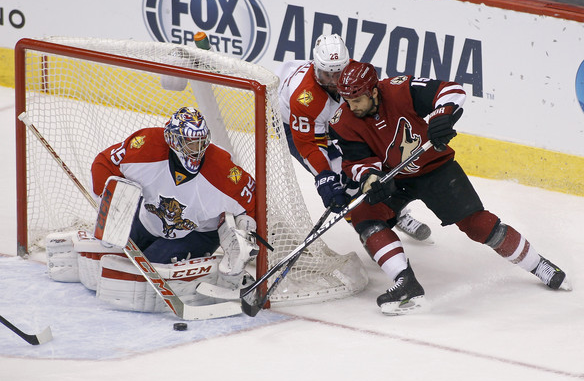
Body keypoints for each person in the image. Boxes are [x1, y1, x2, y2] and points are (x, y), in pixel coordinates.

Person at [329, 61, 571, 315]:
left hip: (435, 169)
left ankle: (538, 264)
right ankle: (405, 282)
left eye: (357, 100)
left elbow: (451, 90)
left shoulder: (400, 89)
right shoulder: (343, 120)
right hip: (394, 178)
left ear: (374, 91)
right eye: (347, 100)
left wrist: (441, 116)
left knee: (477, 225)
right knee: (363, 216)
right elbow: (356, 161)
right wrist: (370, 178)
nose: (351, 106)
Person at [276, 34, 431, 241]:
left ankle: (395, 213)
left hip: (331, 120)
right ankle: (367, 231)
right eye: (326, 75)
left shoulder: (355, 74)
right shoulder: (304, 97)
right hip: (293, 124)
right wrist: (324, 176)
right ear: (315, 67)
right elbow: (309, 145)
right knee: (339, 181)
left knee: (369, 167)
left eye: (337, 74)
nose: (332, 82)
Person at [90, 106, 259, 290]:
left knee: (144, 277)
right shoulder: (146, 145)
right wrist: (109, 206)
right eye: (191, 143)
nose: (197, 149)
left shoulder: (223, 171)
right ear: (173, 140)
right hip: (146, 219)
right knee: (105, 258)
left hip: (197, 234)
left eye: (202, 142)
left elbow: (253, 204)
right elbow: (104, 163)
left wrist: (244, 236)